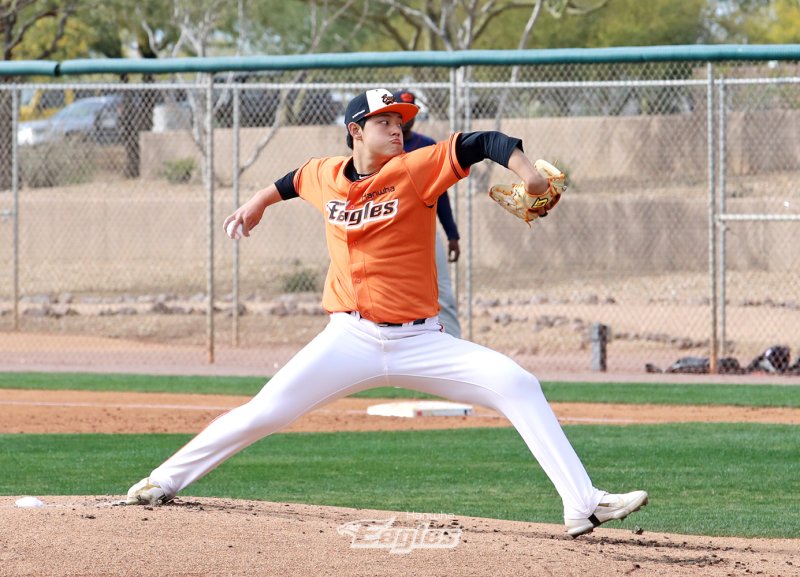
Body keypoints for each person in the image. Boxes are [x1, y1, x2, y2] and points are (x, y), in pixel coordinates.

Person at [125, 88, 648, 537]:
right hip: (347, 339)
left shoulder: (414, 171)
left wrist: (531, 177)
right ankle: (163, 480)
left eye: (401, 121)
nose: (398, 128)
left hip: (422, 342)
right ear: (356, 130)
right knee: (266, 412)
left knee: (518, 384)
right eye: (385, 121)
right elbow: (291, 180)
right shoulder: (324, 174)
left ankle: (582, 504)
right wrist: (257, 203)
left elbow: (483, 143)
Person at [394, 89, 461, 338]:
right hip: (390, 233)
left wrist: (452, 233)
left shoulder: (426, 146)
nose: (406, 118)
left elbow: (440, 195)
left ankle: (454, 345)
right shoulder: (381, 147)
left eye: (411, 111)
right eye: (402, 111)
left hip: (425, 230)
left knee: (442, 293)